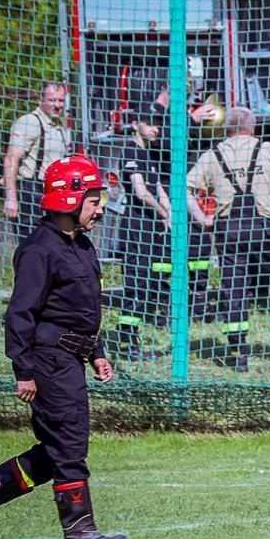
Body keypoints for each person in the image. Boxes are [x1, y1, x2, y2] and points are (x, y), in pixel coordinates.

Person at [0, 155, 130, 539]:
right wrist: (24, 370)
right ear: (71, 199)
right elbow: (21, 313)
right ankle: (81, 534)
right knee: (70, 446)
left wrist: (96, 351)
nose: (101, 209)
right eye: (95, 201)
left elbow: (79, 309)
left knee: (59, 449)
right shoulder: (38, 250)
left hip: (72, 357)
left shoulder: (81, 244)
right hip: (48, 360)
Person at [186, 108, 270, 371]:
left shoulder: (212, 155)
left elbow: (185, 187)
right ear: (253, 127)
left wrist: (203, 219)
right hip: (266, 228)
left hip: (229, 230)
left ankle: (237, 353)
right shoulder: (268, 149)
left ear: (226, 128)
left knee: (234, 291)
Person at [107, 100, 173, 362]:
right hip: (135, 226)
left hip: (148, 228)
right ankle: (126, 343)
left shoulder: (148, 153)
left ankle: (130, 337)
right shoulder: (132, 152)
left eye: (158, 124)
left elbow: (156, 188)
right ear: (136, 124)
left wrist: (169, 212)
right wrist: (161, 211)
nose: (155, 129)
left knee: (145, 285)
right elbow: (140, 191)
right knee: (135, 286)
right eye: (150, 124)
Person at [2, 82, 74, 233]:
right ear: (40, 99)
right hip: (32, 193)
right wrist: (11, 198)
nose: (57, 105)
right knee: (34, 249)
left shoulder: (58, 127)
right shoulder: (30, 122)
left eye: (60, 101)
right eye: (52, 100)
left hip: (54, 194)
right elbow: (11, 158)